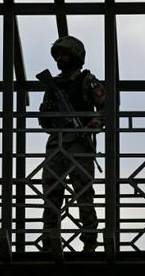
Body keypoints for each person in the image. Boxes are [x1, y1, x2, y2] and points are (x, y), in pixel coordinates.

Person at [38, 35, 105, 253]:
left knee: (84, 194)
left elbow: (105, 107)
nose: (60, 58)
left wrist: (91, 125)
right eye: (58, 54)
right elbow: (44, 120)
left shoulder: (87, 80)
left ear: (76, 56)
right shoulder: (53, 85)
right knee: (51, 194)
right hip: (56, 144)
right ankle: (49, 240)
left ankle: (89, 241)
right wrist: (50, 112)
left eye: (65, 54)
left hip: (79, 145)